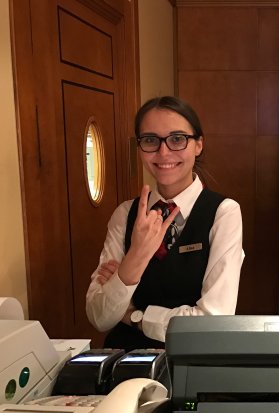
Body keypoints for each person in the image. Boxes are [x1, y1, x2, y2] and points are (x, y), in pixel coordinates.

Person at [86, 96, 244, 351]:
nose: (163, 152)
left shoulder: (223, 213)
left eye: (177, 139)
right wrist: (136, 256)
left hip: (191, 360)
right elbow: (99, 318)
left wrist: (135, 316)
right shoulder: (124, 214)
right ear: (140, 148)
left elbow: (212, 322)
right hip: (127, 360)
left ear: (198, 145)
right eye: (150, 140)